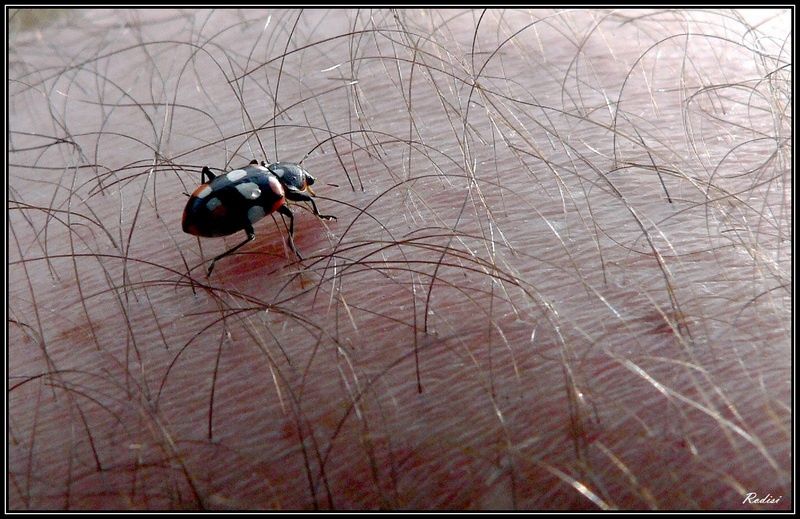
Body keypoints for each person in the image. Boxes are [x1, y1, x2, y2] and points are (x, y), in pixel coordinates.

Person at [8, 8, 790, 510]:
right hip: (214, 222)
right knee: (250, 237)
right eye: (300, 188)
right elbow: (274, 208)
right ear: (289, 187)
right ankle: (216, 264)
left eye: (294, 187)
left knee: (248, 225)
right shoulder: (280, 199)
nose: (303, 193)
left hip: (212, 208)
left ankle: (215, 258)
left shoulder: (264, 185)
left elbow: (251, 192)